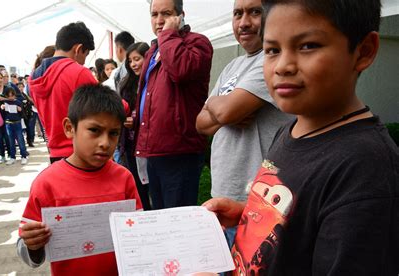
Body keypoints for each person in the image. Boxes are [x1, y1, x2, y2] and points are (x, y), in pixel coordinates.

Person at [204, 0, 399, 274]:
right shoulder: (289, 131)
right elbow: (299, 217)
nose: (282, 66)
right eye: (272, 50)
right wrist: (245, 211)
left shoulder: (366, 167)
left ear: (364, 51)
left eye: (307, 46)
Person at [17, 84, 142, 275]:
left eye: (114, 133)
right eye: (94, 130)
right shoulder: (47, 183)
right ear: (69, 128)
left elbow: (139, 231)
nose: (105, 143)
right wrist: (33, 245)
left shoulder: (124, 178)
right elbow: (27, 252)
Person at [196, 0, 292, 202]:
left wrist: (216, 106)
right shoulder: (233, 65)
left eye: (255, 12)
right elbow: (200, 124)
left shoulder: (271, 61)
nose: (244, 22)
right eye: (237, 14)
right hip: (224, 189)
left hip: (257, 196)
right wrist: (221, 107)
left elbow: (226, 112)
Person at [134, 0, 213, 209]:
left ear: (180, 15)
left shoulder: (197, 43)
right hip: (154, 150)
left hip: (179, 150)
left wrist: (168, 35)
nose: (159, 21)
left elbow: (181, 70)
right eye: (154, 14)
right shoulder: (154, 50)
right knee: (160, 216)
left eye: (166, 14)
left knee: (177, 223)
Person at [29, 21, 97, 163]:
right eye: (85, 54)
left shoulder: (34, 77)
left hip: (55, 154)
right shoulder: (78, 72)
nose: (84, 62)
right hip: (81, 153)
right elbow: (107, 105)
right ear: (78, 49)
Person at [119, 42, 152, 210]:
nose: (133, 64)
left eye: (137, 59)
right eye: (130, 61)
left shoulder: (153, 82)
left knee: (152, 184)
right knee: (138, 187)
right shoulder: (126, 84)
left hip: (149, 144)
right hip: (132, 144)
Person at [0, 87, 28, 165]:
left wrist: (19, 109)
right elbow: (2, 112)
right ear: (6, 96)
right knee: (11, 141)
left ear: (14, 95)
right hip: (8, 123)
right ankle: (12, 157)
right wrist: (2, 107)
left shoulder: (18, 102)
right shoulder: (5, 102)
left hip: (17, 123)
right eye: (8, 96)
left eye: (12, 95)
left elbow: (21, 111)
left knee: (20, 140)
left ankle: (24, 156)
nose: (11, 97)